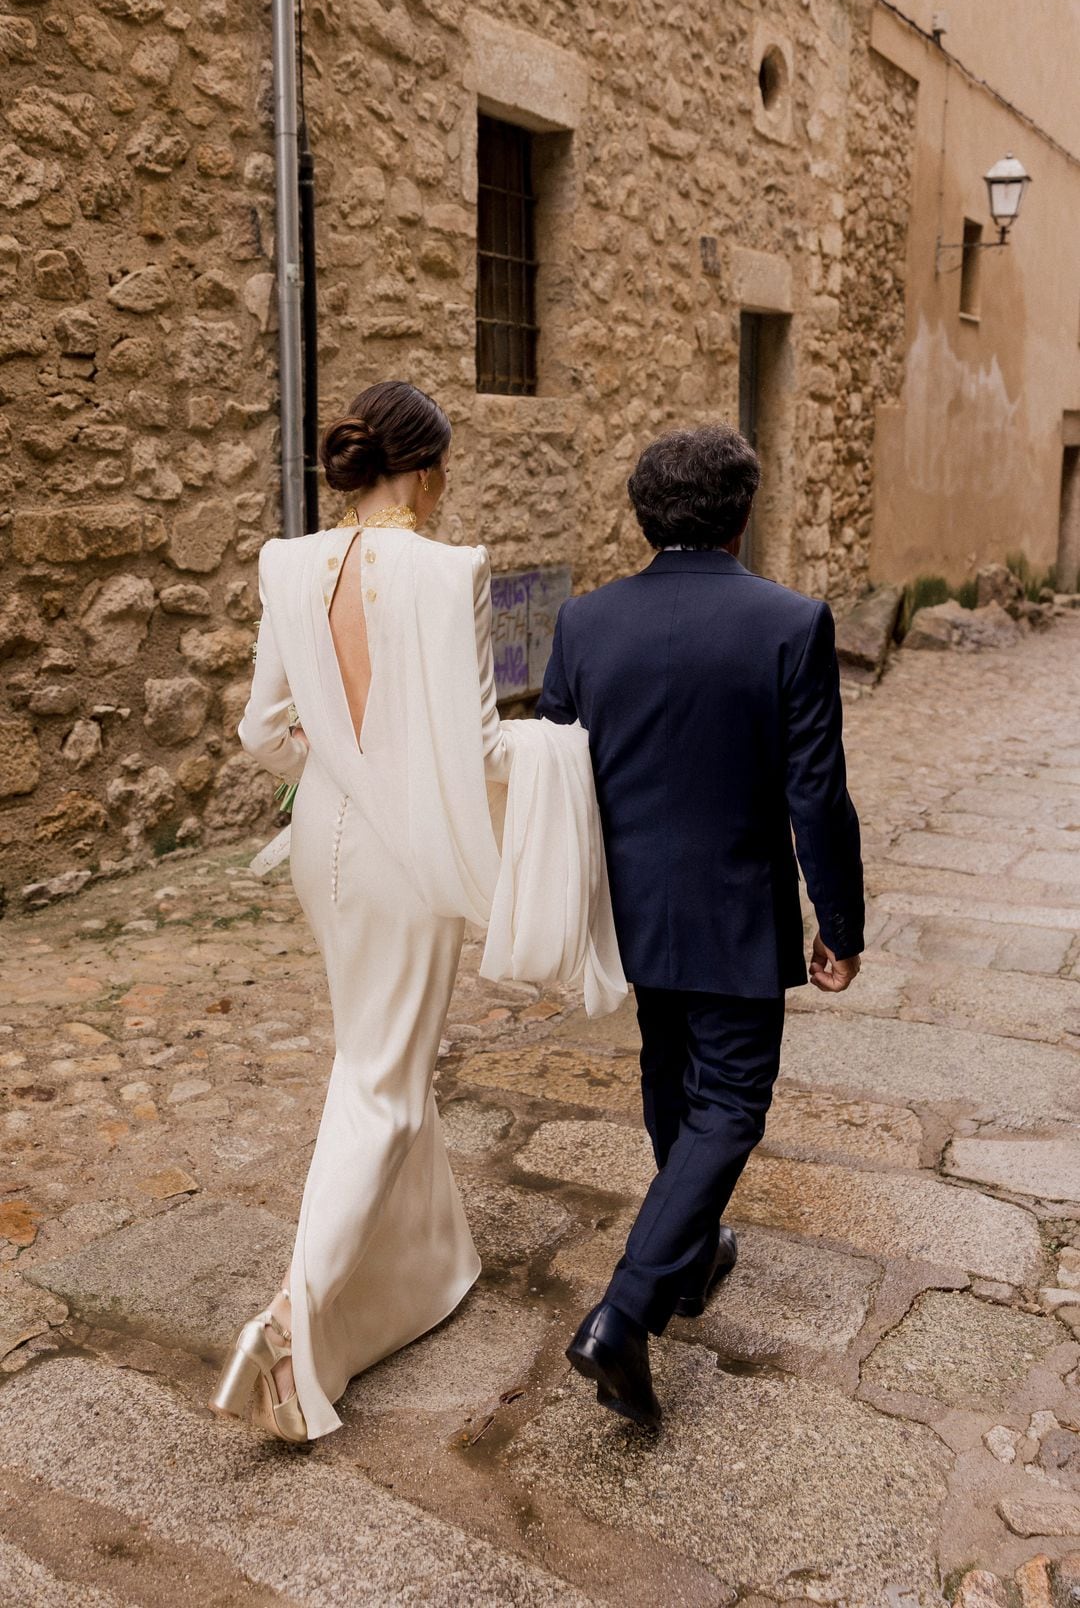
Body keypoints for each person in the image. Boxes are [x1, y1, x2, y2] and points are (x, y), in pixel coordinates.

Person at [211, 379, 625, 1444]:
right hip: (402, 859)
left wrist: (341, 767)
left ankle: (427, 1269)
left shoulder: (288, 564)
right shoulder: (451, 574)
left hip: (323, 847)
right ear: (430, 467)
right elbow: (482, 749)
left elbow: (263, 729)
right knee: (382, 1083)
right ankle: (296, 1325)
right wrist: (569, 751)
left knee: (375, 1052)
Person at [539, 424, 864, 1432]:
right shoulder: (790, 622)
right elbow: (817, 791)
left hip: (635, 908)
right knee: (728, 1103)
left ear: (644, 515)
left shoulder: (584, 623)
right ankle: (624, 1312)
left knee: (669, 1077)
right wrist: (839, 922)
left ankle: (690, 1253)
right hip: (733, 909)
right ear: (741, 514)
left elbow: (557, 773)